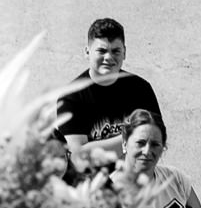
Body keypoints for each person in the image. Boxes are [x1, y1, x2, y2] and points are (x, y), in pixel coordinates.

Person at [56, 17, 163, 166]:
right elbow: (80, 157)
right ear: (87, 52)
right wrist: (133, 137)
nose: (109, 57)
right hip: (92, 185)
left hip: (134, 178)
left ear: (124, 53)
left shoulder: (141, 89)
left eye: (115, 51)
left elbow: (156, 140)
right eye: (102, 50)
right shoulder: (71, 97)